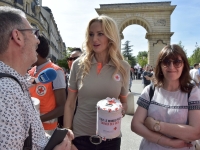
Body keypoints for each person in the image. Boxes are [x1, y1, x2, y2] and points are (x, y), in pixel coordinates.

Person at [0, 6, 73, 149]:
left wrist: (50, 139)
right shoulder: (6, 93)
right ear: (17, 37)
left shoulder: (15, 83)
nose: (38, 41)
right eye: (34, 33)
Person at [64, 15, 130, 150]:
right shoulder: (78, 64)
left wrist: (119, 110)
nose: (94, 39)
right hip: (80, 136)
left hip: (111, 138)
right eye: (91, 34)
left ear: (111, 36)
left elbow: (123, 102)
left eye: (100, 34)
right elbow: (70, 104)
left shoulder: (123, 67)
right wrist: (67, 137)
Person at [131, 44, 200, 150]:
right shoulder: (150, 90)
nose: (171, 66)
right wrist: (169, 142)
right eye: (166, 62)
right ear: (160, 65)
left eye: (177, 62)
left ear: (184, 65)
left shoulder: (192, 92)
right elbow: (136, 125)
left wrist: (156, 125)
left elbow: (196, 132)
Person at [28, 35, 66, 135]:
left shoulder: (56, 71)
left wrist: (37, 120)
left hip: (47, 131)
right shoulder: (31, 71)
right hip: (30, 128)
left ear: (36, 52)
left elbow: (62, 108)